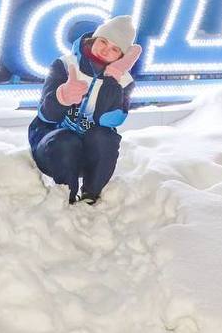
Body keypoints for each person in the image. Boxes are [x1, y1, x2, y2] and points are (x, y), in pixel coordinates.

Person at [28, 15, 141, 205]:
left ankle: (91, 196)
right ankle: (66, 197)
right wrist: (62, 97)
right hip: (51, 149)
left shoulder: (124, 81)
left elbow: (109, 120)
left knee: (106, 138)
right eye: (103, 41)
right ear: (93, 39)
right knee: (66, 140)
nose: (106, 50)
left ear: (121, 56)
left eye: (115, 49)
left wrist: (112, 79)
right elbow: (45, 116)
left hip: (87, 156)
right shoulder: (65, 65)